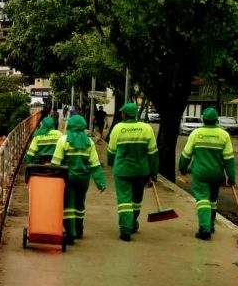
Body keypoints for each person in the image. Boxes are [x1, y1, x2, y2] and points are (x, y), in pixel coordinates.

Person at [178, 107, 236, 240]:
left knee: (203, 199)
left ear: (203, 119)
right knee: (213, 200)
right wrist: (231, 177)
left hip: (200, 174)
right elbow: (229, 159)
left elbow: (186, 154)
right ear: (216, 120)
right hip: (217, 174)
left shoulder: (196, 133)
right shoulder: (224, 135)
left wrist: (182, 167)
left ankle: (205, 229)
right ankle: (211, 225)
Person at [107, 102, 159, 242]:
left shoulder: (118, 128)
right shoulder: (146, 128)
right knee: (136, 200)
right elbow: (153, 153)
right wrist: (154, 172)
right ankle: (133, 223)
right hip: (141, 171)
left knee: (124, 201)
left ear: (124, 114)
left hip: (122, 171)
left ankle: (125, 229)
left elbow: (111, 151)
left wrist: (111, 163)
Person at [51, 115, 107, 243]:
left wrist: (52, 181)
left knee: (68, 205)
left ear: (69, 125)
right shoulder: (89, 142)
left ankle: (71, 233)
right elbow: (95, 165)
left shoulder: (63, 140)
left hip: (67, 178)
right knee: (80, 203)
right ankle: (79, 229)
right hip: (83, 179)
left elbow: (56, 163)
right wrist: (100, 183)